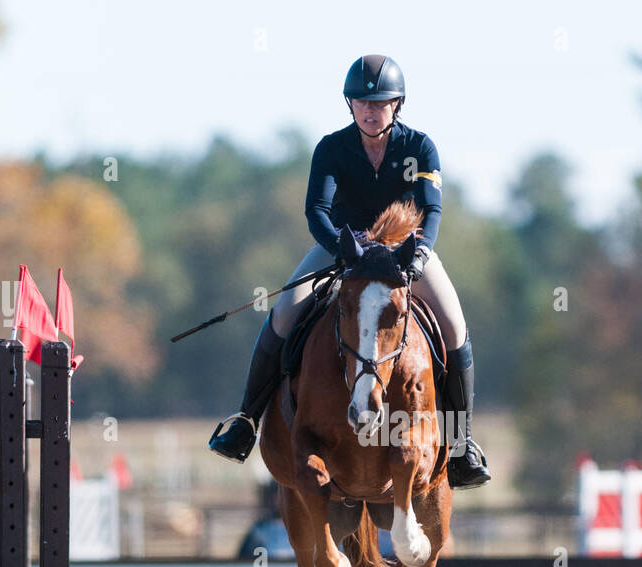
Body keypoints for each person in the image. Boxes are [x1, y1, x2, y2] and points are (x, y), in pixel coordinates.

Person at [208, 53, 491, 489]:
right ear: (350, 104)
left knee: (453, 327)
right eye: (361, 102)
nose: (370, 110)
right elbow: (317, 211)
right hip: (345, 250)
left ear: (397, 104)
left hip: (403, 251)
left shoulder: (420, 148)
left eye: (380, 103)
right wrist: (343, 247)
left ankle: (461, 443)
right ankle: (245, 421)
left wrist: (419, 254)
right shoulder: (332, 148)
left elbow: (431, 209)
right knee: (285, 313)